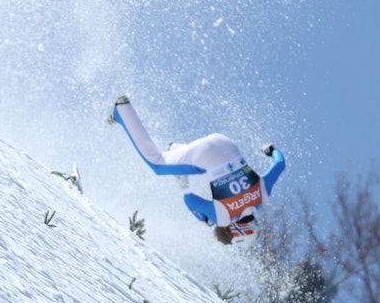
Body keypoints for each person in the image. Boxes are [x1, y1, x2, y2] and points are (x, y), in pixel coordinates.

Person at [113, 96, 285, 245]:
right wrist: (205, 220)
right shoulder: (222, 217)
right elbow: (189, 199)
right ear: (239, 232)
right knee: (157, 164)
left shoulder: (262, 195)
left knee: (208, 171)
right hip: (204, 154)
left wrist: (271, 151)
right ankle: (122, 111)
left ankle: (176, 150)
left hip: (225, 142)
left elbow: (280, 164)